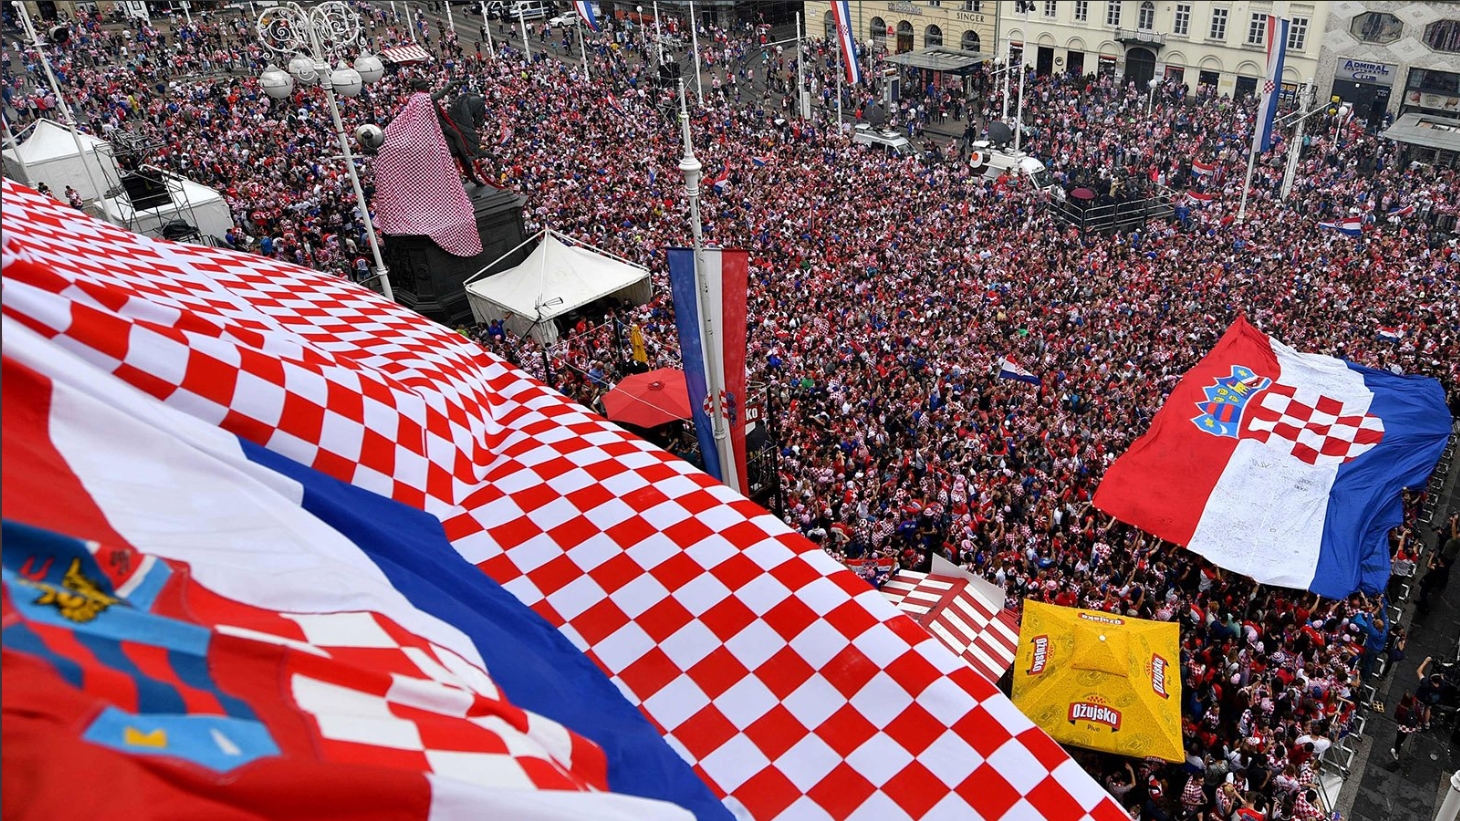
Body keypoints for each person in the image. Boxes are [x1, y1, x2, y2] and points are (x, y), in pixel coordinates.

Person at [1391, 691, 1422, 758]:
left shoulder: (1401, 708)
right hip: (1411, 727)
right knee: (1404, 735)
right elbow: (1419, 717)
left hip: (1402, 726)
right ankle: (1402, 742)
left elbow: (1396, 716)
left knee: (1398, 740)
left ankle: (1396, 753)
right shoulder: (1416, 707)